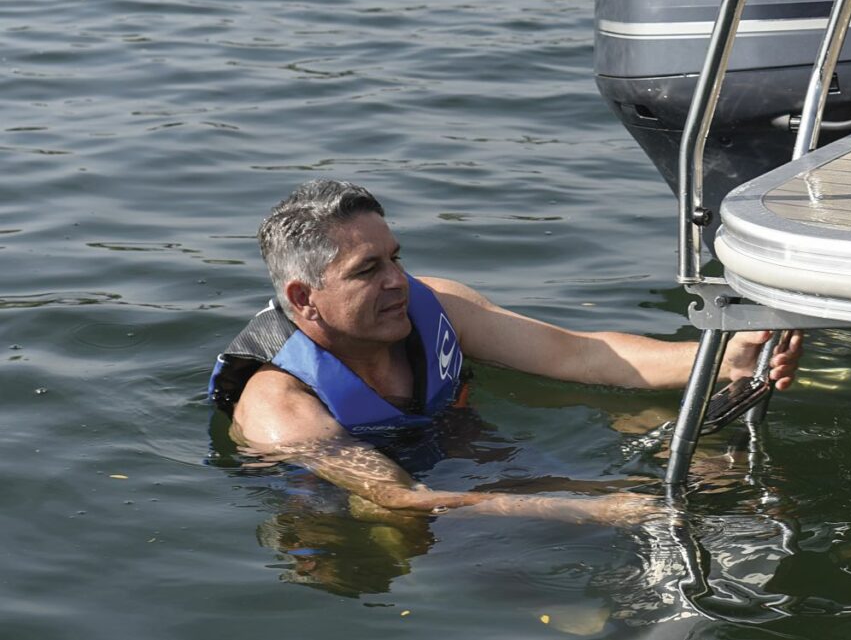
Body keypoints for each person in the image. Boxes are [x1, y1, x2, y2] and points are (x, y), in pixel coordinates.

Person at [210, 179, 801, 524]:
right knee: (398, 531)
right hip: (356, 505)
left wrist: (722, 358)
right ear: (303, 297)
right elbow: (397, 495)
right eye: (368, 270)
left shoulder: (433, 306)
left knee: (691, 470)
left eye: (396, 257)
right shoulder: (279, 405)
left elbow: (582, 356)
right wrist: (588, 511)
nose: (397, 280)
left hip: (459, 443)